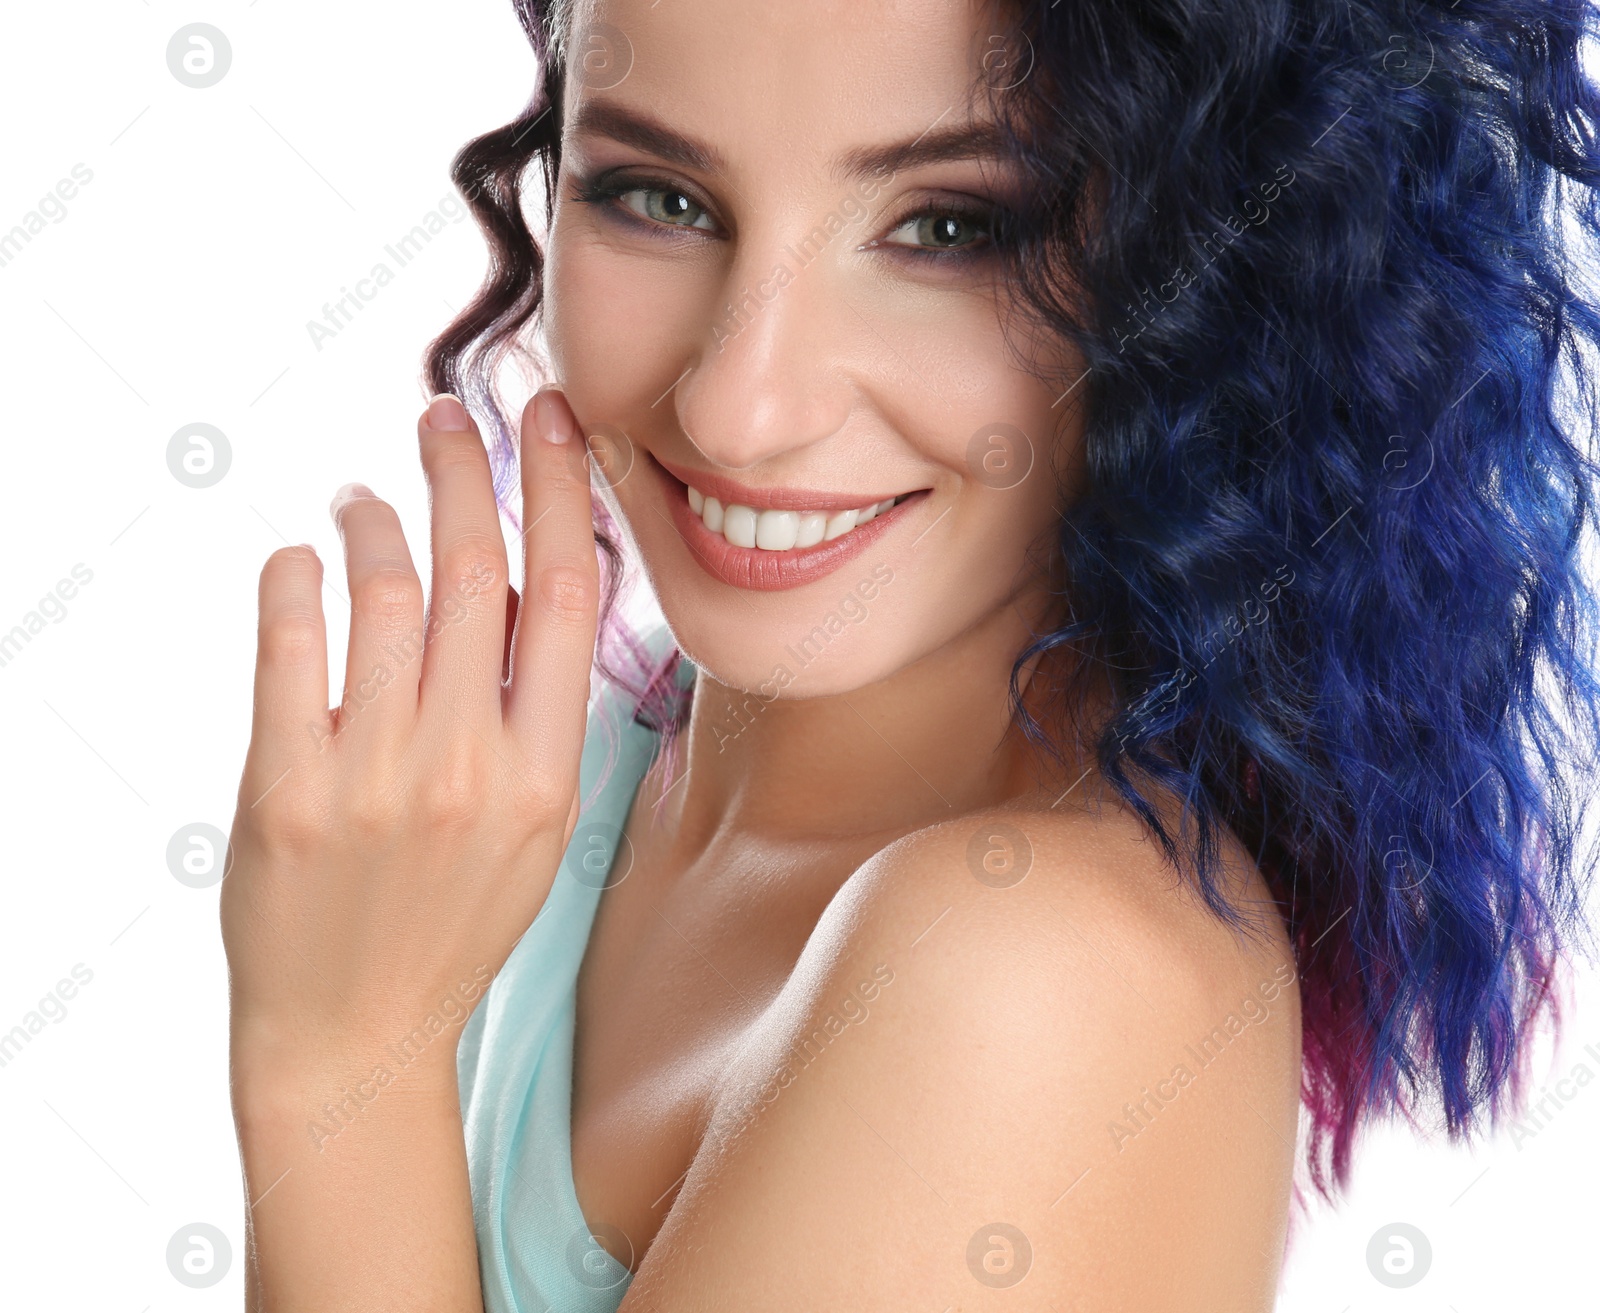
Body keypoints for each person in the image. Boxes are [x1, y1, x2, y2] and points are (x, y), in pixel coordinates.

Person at [221, 0, 1600, 1308]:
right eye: (659, 196)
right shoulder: (577, 777)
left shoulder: (1039, 977)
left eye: (948, 227)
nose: (740, 405)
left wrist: (331, 1064)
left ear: (1213, 275)